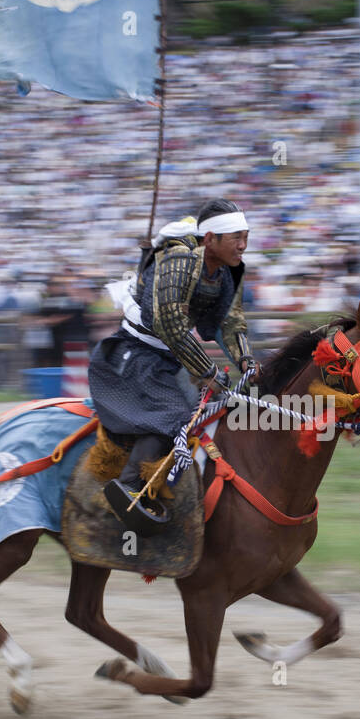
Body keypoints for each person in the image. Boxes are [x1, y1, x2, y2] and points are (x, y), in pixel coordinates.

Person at [88, 198, 257, 534]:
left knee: (219, 412)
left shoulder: (228, 270)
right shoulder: (178, 260)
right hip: (136, 354)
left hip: (171, 358)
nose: (243, 245)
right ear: (210, 240)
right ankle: (130, 489)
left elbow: (230, 322)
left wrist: (247, 361)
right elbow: (170, 328)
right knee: (175, 413)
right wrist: (208, 372)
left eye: (245, 236)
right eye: (235, 237)